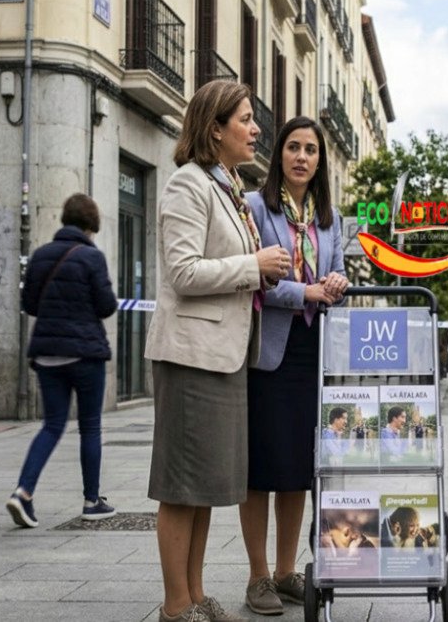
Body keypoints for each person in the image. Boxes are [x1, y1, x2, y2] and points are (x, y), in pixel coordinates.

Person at [145, 80, 290, 622]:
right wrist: (254, 266)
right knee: (181, 489)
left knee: (203, 487)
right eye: (246, 120)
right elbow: (183, 272)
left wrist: (263, 270)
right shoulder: (188, 184)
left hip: (224, 355)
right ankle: (176, 606)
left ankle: (197, 595)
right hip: (192, 357)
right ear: (215, 129)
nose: (256, 129)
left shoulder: (226, 183)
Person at [239, 116, 347, 615]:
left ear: (320, 161)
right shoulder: (257, 209)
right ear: (279, 154)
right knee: (262, 468)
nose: (302, 157)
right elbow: (256, 280)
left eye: (311, 150)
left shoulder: (330, 217)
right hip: (269, 354)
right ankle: (258, 576)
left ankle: (286, 573)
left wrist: (336, 286)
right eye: (294, 147)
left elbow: (337, 272)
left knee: (297, 470)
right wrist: (307, 290)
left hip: (311, 351)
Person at [5, 194, 119, 529]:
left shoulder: (41, 255)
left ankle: (23, 492)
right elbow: (106, 305)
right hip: (85, 354)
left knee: (52, 425)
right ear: (90, 225)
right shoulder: (91, 256)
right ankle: (91, 500)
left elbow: (30, 304)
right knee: (90, 426)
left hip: (47, 353)